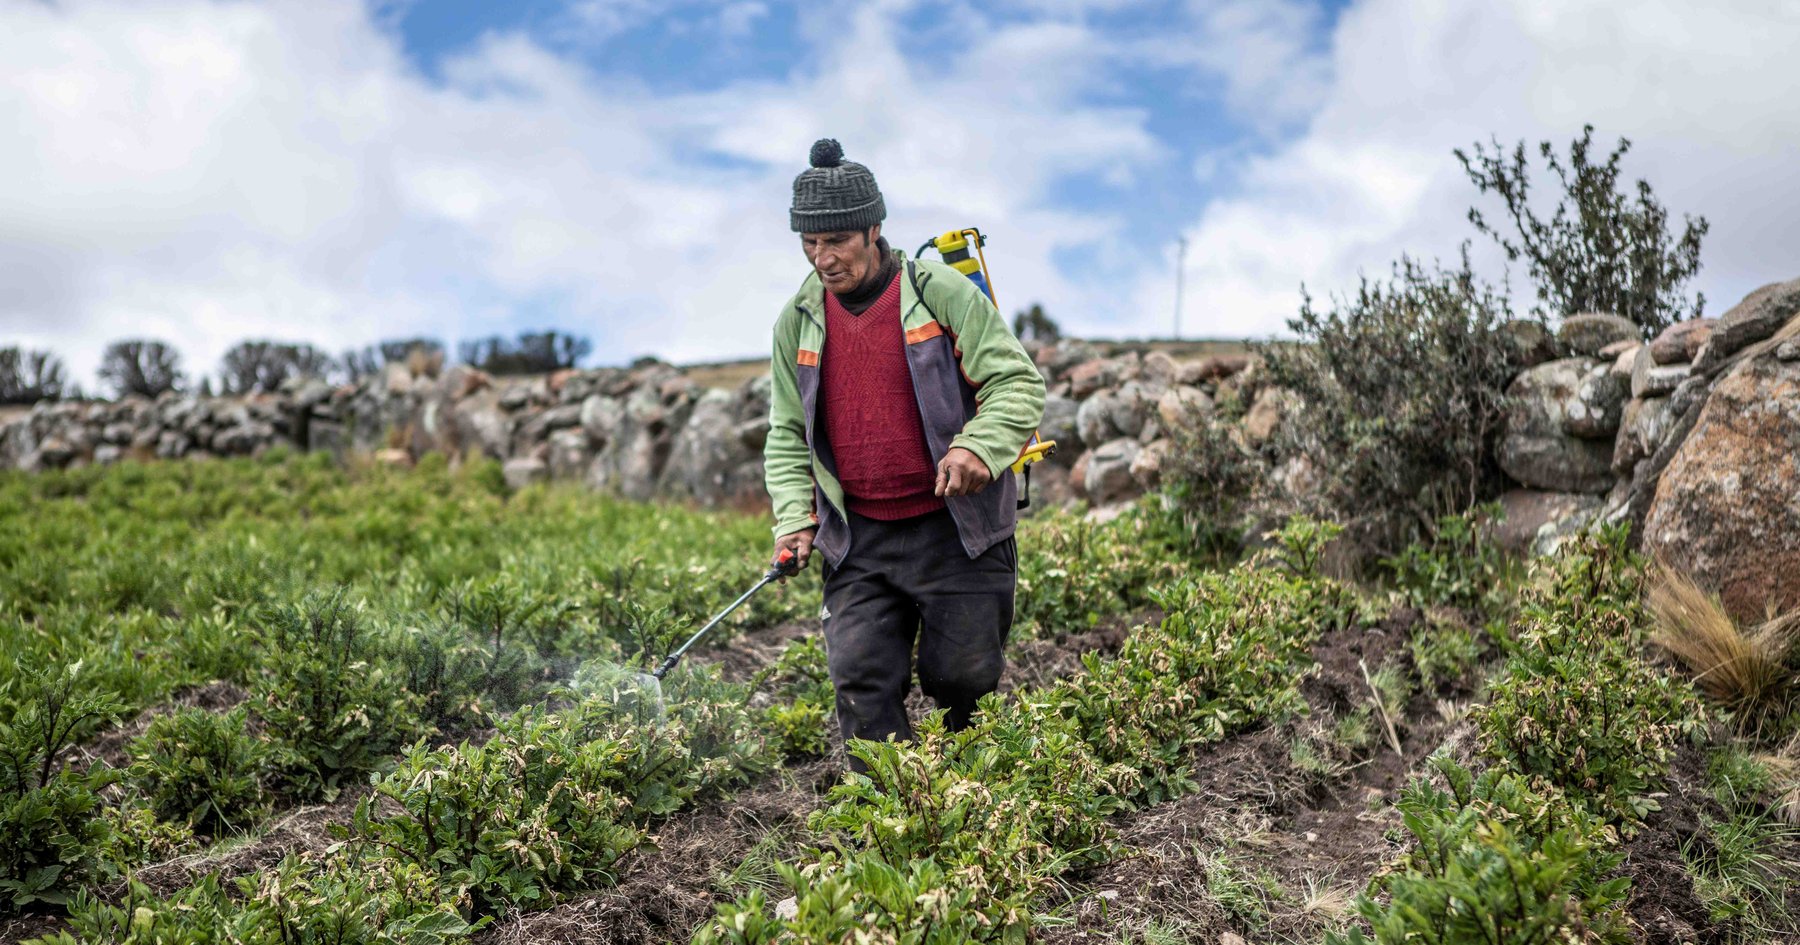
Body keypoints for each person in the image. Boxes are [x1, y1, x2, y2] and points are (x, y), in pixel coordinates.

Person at [763, 138, 1047, 759]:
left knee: (963, 681)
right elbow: (787, 435)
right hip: (860, 539)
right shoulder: (797, 321)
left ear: (873, 229)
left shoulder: (938, 292)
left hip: (956, 528)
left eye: (835, 240)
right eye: (810, 243)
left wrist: (978, 448)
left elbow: (1018, 382)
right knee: (861, 681)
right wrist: (796, 518)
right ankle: (892, 810)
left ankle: (972, 805)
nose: (822, 257)